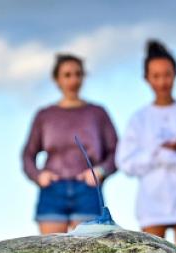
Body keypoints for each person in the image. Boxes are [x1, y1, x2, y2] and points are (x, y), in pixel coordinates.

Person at [116, 40, 176, 253]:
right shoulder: (139, 118)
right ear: (147, 79)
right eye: (156, 76)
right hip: (151, 204)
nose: (162, 82)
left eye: (167, 75)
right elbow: (125, 162)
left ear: (175, 75)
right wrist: (156, 154)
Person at [22, 53, 118, 233]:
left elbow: (116, 152)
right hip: (52, 190)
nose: (73, 80)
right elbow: (28, 154)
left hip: (88, 190)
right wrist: (38, 175)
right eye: (67, 75)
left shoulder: (97, 113)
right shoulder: (45, 115)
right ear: (57, 79)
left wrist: (101, 171)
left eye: (78, 74)